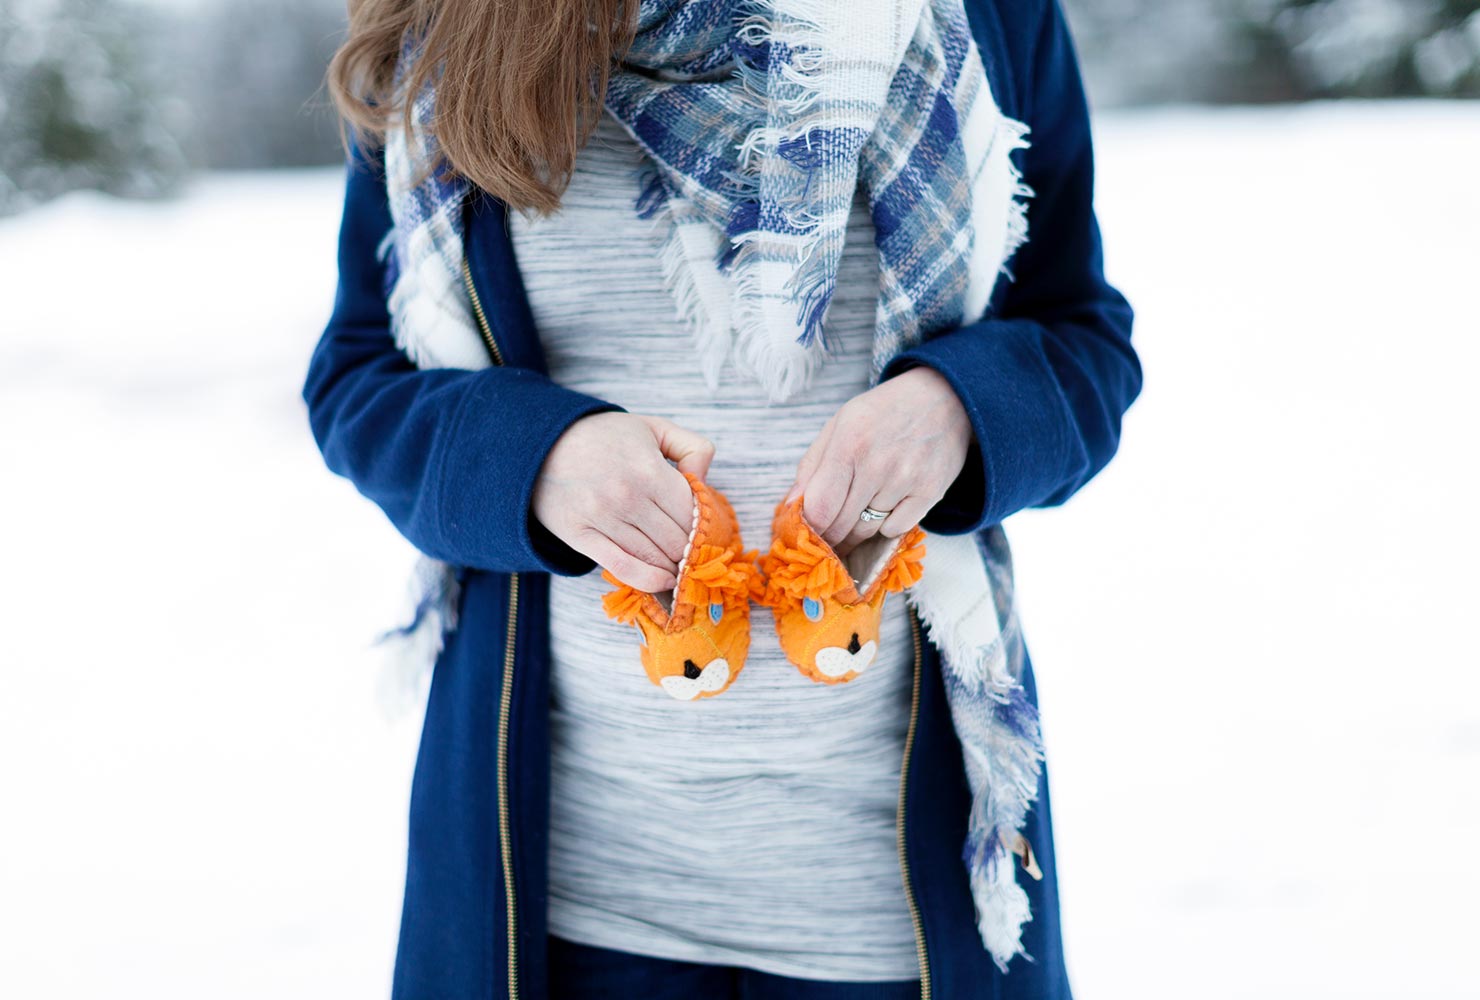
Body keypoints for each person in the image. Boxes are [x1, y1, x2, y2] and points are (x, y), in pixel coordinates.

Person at [304, 0, 1140, 997]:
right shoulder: (448, 26)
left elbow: (1082, 341)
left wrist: (961, 408)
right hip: (563, 901)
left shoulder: (986, 16)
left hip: (889, 909)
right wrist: (533, 457)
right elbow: (356, 379)